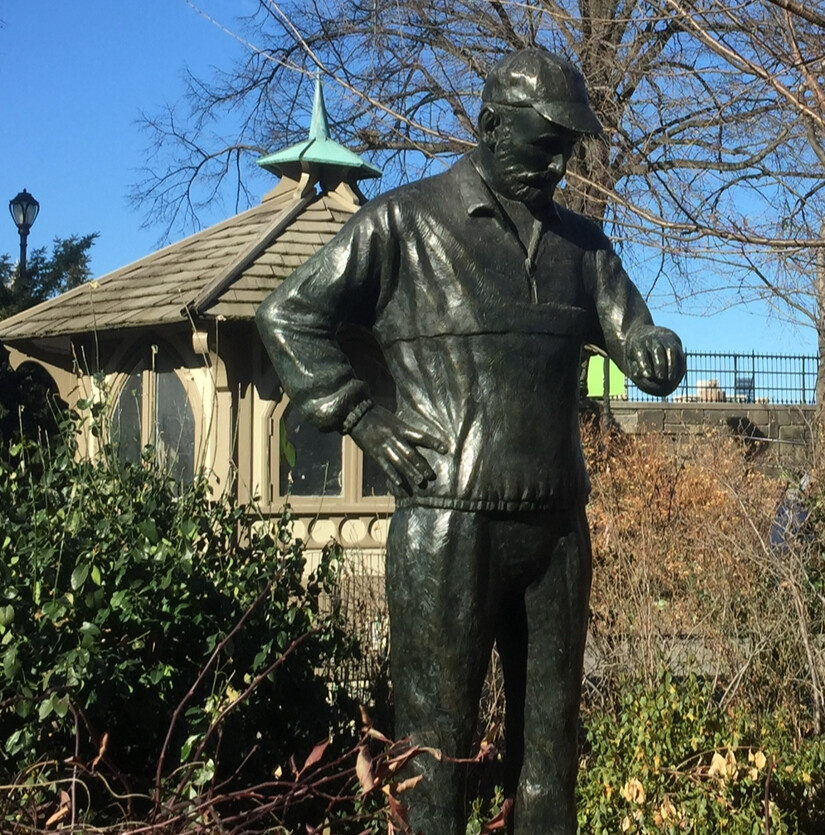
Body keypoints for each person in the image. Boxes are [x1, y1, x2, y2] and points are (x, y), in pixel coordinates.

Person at [256, 48, 685, 835]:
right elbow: (288, 314)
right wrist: (360, 415)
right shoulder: (405, 222)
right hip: (447, 522)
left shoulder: (585, 247)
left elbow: (634, 335)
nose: (557, 164)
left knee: (551, 748)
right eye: (543, 143)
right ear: (490, 125)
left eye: (567, 147)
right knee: (436, 748)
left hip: (556, 528)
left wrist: (656, 348)